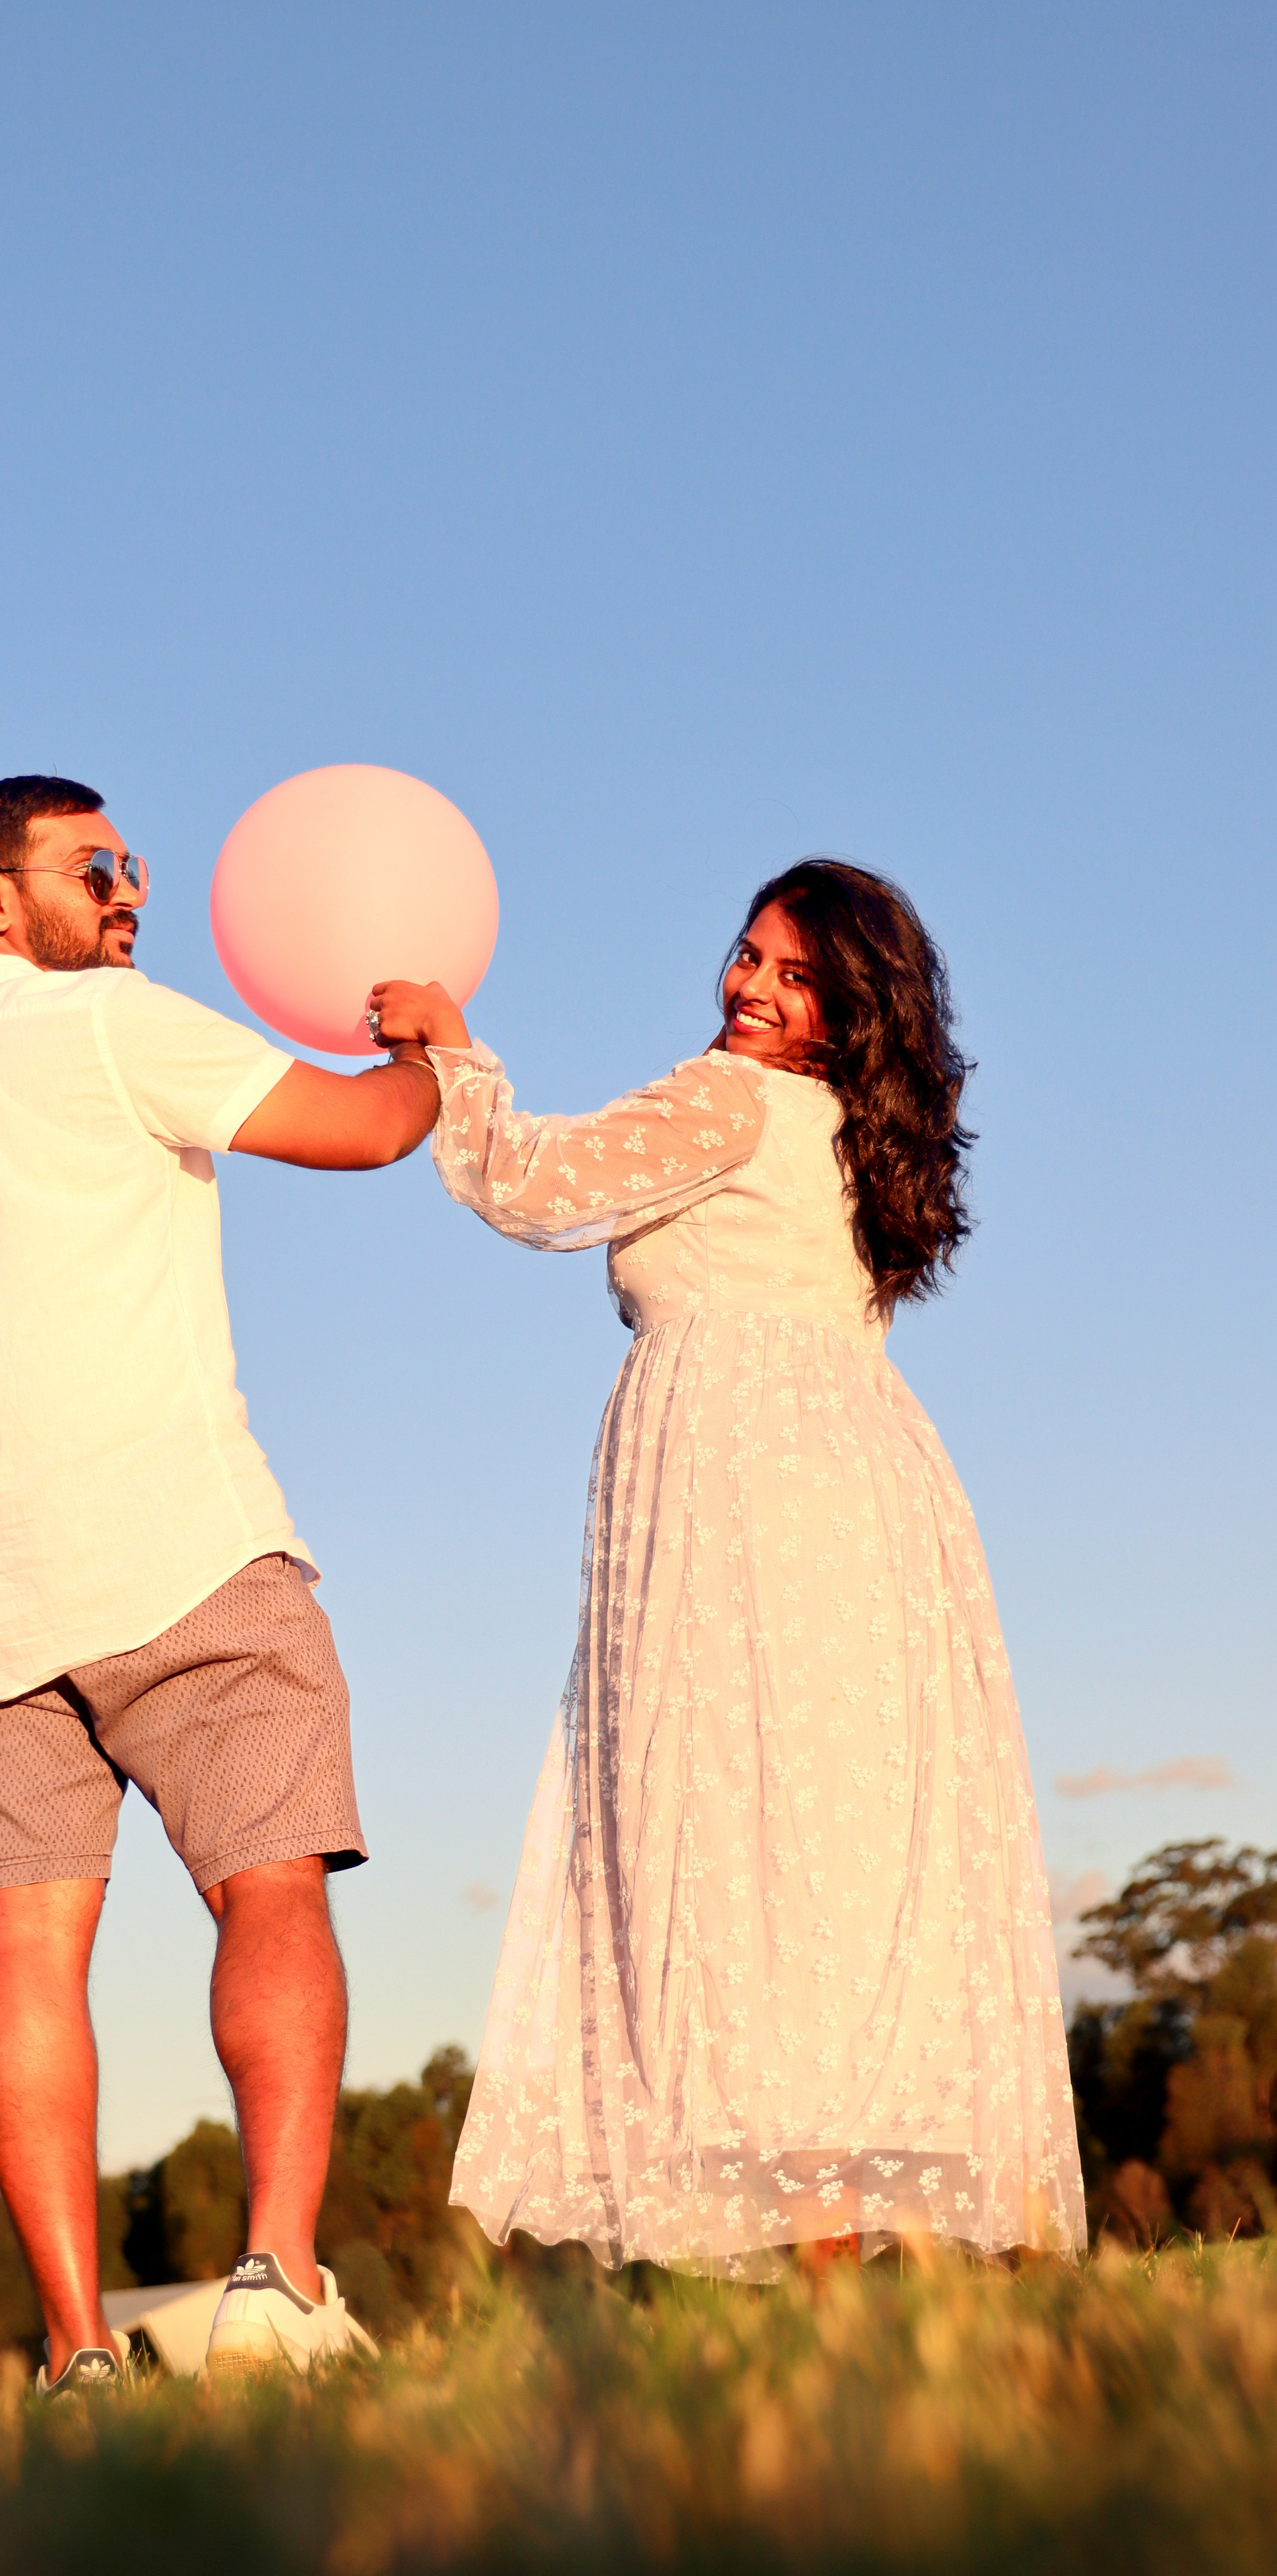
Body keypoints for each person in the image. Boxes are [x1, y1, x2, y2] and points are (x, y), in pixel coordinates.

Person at [0, 774, 438, 2384]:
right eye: (97, 866)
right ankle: (279, 2287)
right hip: (173, 1548)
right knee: (269, 1879)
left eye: (134, 863)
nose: (132, 890)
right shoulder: (105, 1025)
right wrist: (436, 1040)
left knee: (28, 1937)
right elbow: (365, 1130)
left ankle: (80, 2351)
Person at [370, 859, 1086, 2273]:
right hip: (865, 1481)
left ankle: (827, 2264)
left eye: (792, 975)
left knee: (740, 1839)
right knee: (824, 1851)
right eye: (746, 956)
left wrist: (451, 1046)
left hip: (740, 1482)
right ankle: (858, 2254)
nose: (748, 989)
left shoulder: (727, 1099)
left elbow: (532, 1183)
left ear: (848, 1010)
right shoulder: (848, 1135)